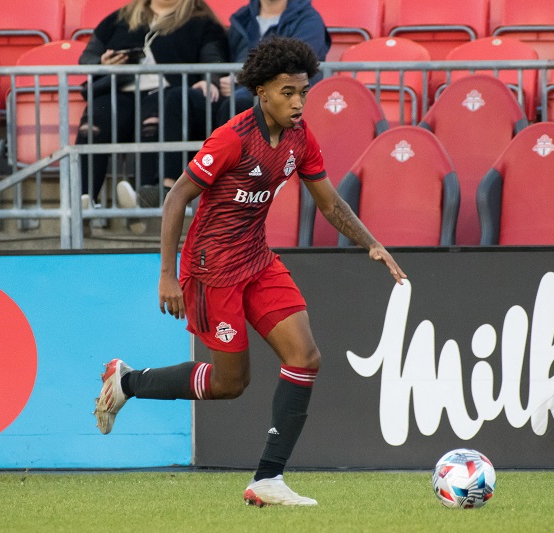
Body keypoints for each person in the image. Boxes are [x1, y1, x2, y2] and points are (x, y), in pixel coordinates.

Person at [94, 36, 407, 507]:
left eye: (303, 92)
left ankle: (268, 479)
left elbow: (329, 202)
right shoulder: (233, 138)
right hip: (212, 271)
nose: (298, 103)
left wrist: (372, 243)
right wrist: (167, 274)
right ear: (262, 92)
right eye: (287, 92)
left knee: (305, 356)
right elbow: (177, 197)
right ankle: (128, 382)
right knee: (230, 385)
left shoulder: (301, 138)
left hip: (257, 260)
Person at [132, 0, 331, 208]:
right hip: (235, 95)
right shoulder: (242, 18)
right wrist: (211, 80)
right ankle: (168, 189)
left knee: (239, 103)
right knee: (179, 98)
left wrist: (241, 79)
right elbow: (222, 59)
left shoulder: (308, 20)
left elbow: (294, 70)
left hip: (275, 103)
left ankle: (223, 191)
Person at [76, 0, 228, 233]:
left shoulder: (201, 21)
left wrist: (211, 81)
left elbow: (214, 60)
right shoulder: (120, 18)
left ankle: (143, 203)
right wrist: (102, 62)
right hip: (117, 90)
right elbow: (87, 57)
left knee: (152, 124)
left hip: (164, 92)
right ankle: (82, 203)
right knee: (93, 125)